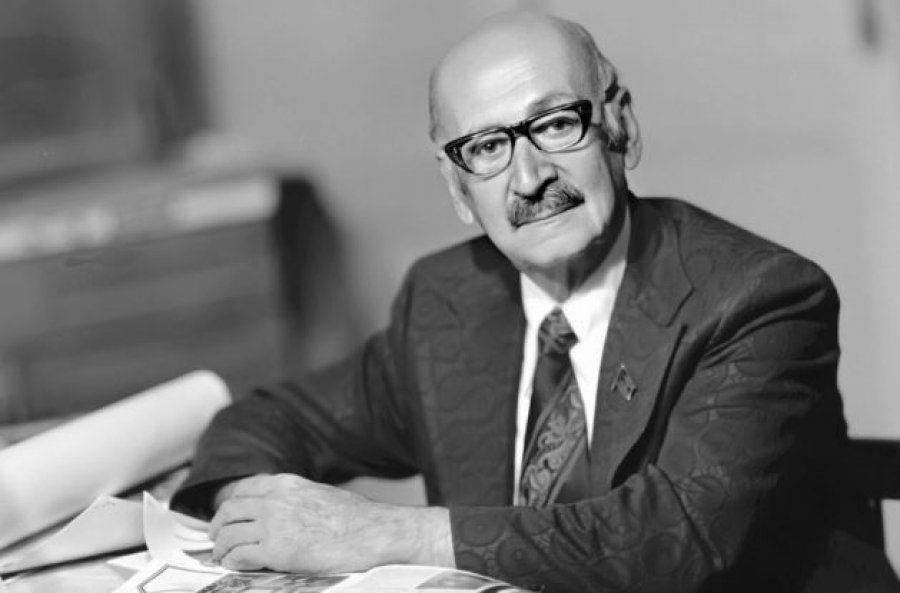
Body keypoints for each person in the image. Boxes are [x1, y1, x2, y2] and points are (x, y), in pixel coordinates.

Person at [171, 11, 899, 593]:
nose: (529, 178)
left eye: (554, 125)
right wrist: (254, 509)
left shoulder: (760, 298)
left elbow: (673, 540)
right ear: (459, 188)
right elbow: (275, 418)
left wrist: (382, 533)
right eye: (487, 148)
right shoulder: (447, 302)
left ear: (619, 125)